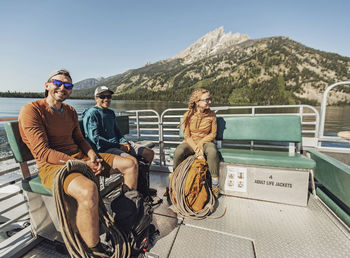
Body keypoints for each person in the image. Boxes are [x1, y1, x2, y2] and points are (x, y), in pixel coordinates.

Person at [18, 69, 138, 256]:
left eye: (68, 85)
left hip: (80, 158)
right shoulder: (32, 110)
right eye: (58, 83)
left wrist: (93, 157)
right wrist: (81, 164)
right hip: (53, 166)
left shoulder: (70, 111)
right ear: (47, 85)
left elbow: (81, 140)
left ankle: (124, 222)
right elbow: (42, 152)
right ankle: (93, 249)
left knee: (130, 164)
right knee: (88, 190)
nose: (62, 88)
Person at [82, 85, 154, 166]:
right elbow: (95, 139)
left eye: (109, 96)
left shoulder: (110, 112)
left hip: (117, 145)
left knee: (149, 153)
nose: (106, 99)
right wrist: (119, 146)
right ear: (96, 98)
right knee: (132, 161)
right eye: (102, 96)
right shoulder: (91, 113)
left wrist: (124, 142)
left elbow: (117, 131)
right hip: (104, 149)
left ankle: (141, 178)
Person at [173, 88, 220, 197]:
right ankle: (175, 180)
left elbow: (213, 134)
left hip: (206, 142)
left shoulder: (212, 115)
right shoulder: (188, 115)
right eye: (206, 100)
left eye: (210, 99)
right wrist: (196, 149)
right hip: (191, 143)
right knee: (179, 151)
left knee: (212, 151)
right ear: (197, 102)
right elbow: (187, 136)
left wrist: (201, 143)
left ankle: (215, 184)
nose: (210, 102)